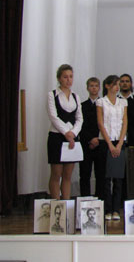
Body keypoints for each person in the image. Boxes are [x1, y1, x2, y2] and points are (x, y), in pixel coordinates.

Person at [46, 64, 83, 200]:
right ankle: (57, 204)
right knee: (56, 174)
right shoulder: (52, 95)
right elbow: (53, 116)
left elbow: (79, 118)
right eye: (65, 77)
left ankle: (66, 204)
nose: (68, 80)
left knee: (68, 175)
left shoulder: (75, 96)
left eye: (71, 77)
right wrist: (66, 132)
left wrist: (73, 133)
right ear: (59, 78)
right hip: (57, 137)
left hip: (72, 137)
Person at [97, 75, 128, 221]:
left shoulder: (123, 102)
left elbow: (124, 123)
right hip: (106, 141)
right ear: (108, 86)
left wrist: (120, 143)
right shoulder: (101, 102)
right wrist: (109, 144)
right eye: (115, 84)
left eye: (118, 84)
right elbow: (100, 123)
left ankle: (116, 209)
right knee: (106, 177)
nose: (117, 87)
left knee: (118, 178)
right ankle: (107, 209)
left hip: (119, 141)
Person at [79, 77, 104, 198]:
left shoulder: (103, 105)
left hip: (100, 143)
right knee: (85, 174)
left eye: (96, 86)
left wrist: (98, 138)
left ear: (99, 88)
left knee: (101, 174)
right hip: (86, 144)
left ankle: (100, 200)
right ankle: (85, 200)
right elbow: (80, 125)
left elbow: (105, 124)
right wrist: (90, 139)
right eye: (91, 86)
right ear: (87, 88)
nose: (94, 88)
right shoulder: (82, 106)